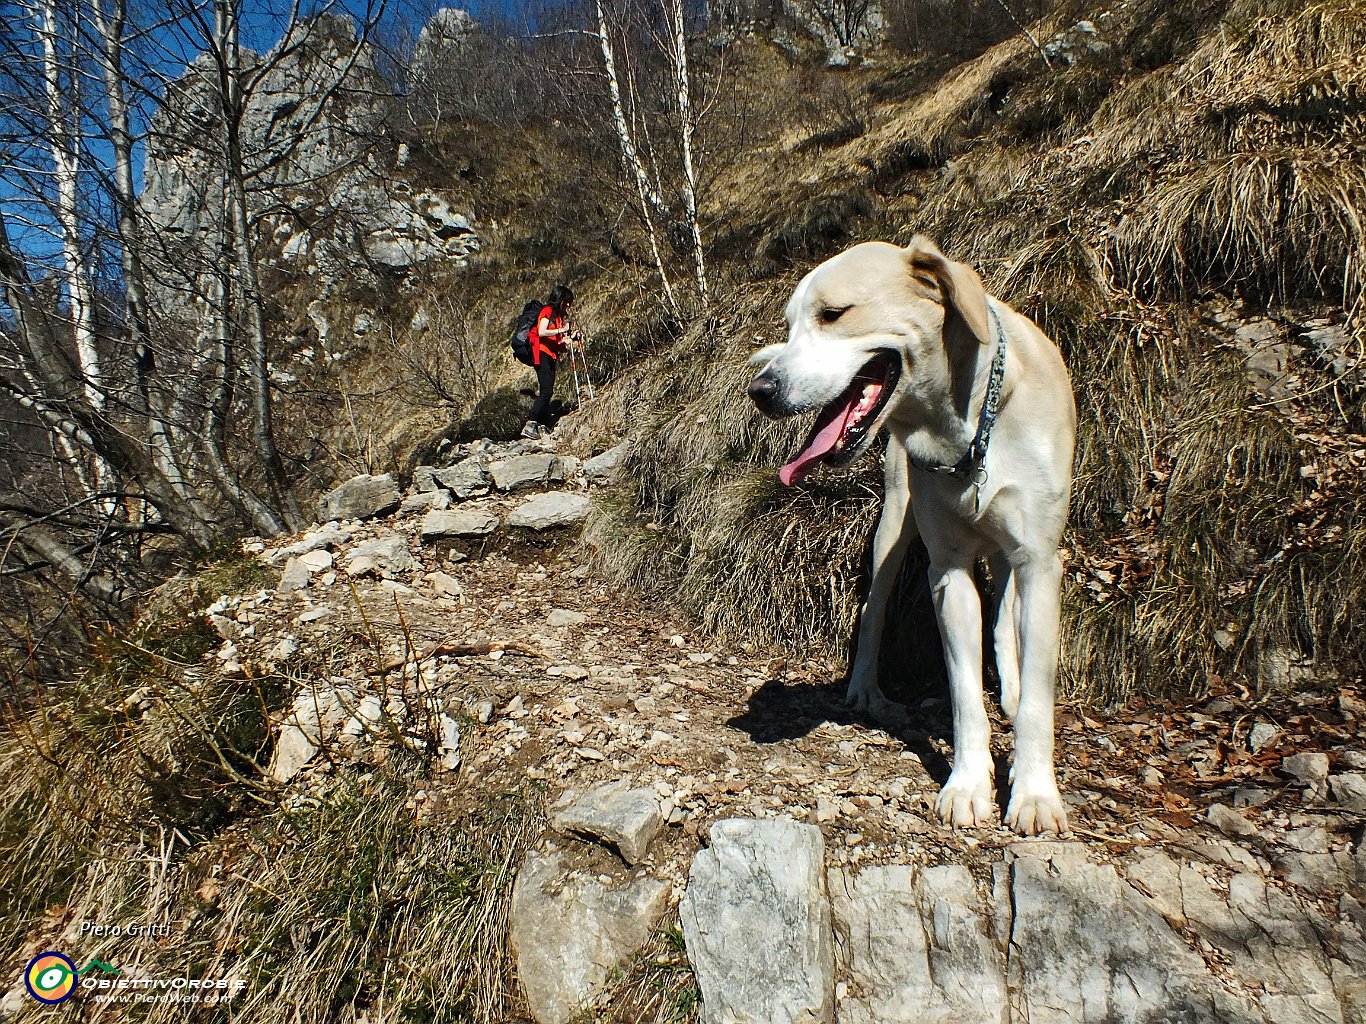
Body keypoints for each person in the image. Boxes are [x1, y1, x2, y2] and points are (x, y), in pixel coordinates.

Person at [521, 284, 577, 439]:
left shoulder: (558, 317)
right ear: (560, 299)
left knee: (548, 390)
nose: (568, 305)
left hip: (550, 354)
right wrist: (561, 330)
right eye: (566, 302)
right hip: (541, 353)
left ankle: (539, 425)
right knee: (546, 391)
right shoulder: (547, 311)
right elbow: (542, 331)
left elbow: (557, 341)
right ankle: (531, 423)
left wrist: (570, 338)